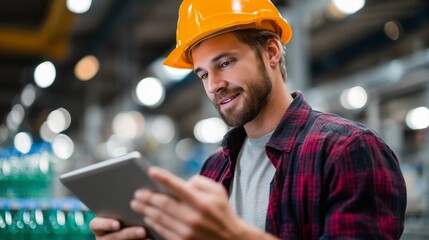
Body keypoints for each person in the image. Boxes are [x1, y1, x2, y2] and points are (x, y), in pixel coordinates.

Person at [89, 0, 407, 239]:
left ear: (271, 52)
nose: (213, 85)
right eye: (203, 74)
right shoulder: (214, 169)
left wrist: (235, 236)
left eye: (225, 63)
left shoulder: (347, 150)